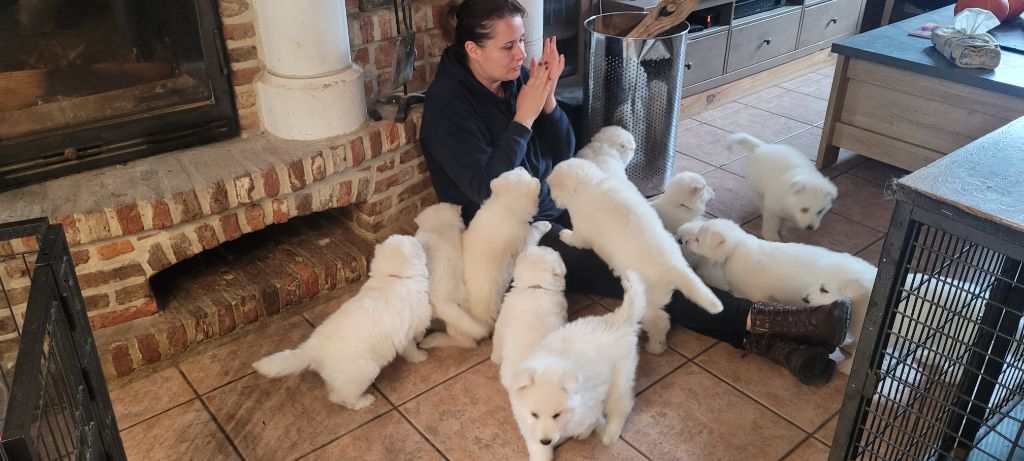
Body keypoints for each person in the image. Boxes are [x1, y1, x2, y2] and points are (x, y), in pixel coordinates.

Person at [418, 0, 850, 385]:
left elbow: (563, 150)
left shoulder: (512, 78)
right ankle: (778, 321)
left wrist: (546, 104)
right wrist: (524, 119)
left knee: (650, 241)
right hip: (510, 235)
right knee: (640, 269)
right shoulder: (448, 106)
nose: (520, 54)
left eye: (521, 42)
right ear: (473, 49)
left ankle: (781, 346)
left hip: (553, 205)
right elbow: (486, 190)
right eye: (508, 46)